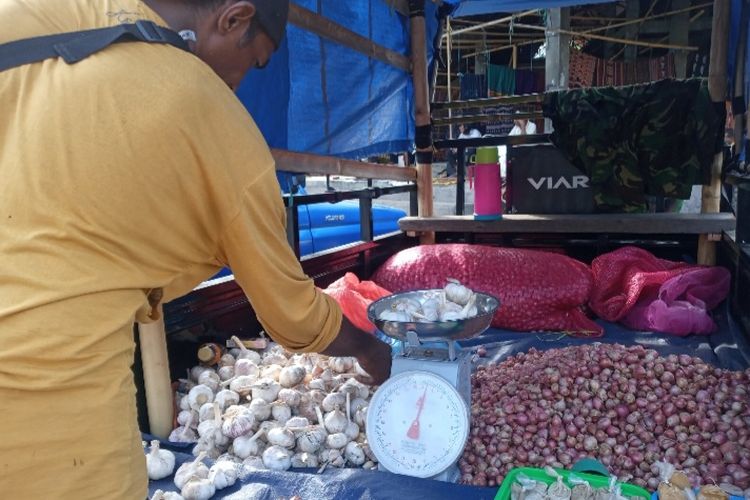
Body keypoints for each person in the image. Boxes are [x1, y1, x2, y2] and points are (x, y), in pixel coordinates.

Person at [0, 0, 391, 498]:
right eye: (254, 62)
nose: (240, 82)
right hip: (50, 420)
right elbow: (293, 316)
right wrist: (367, 348)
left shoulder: (26, 14)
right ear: (234, 18)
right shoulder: (211, 111)